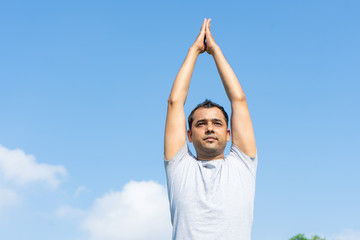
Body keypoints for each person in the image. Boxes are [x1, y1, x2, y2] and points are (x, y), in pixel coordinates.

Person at [164, 18, 258, 240]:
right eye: (200, 124)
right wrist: (194, 51)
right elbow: (175, 103)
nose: (209, 128)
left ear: (229, 134)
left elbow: (239, 100)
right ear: (189, 135)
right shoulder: (179, 167)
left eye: (217, 123)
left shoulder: (243, 164)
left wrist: (215, 52)